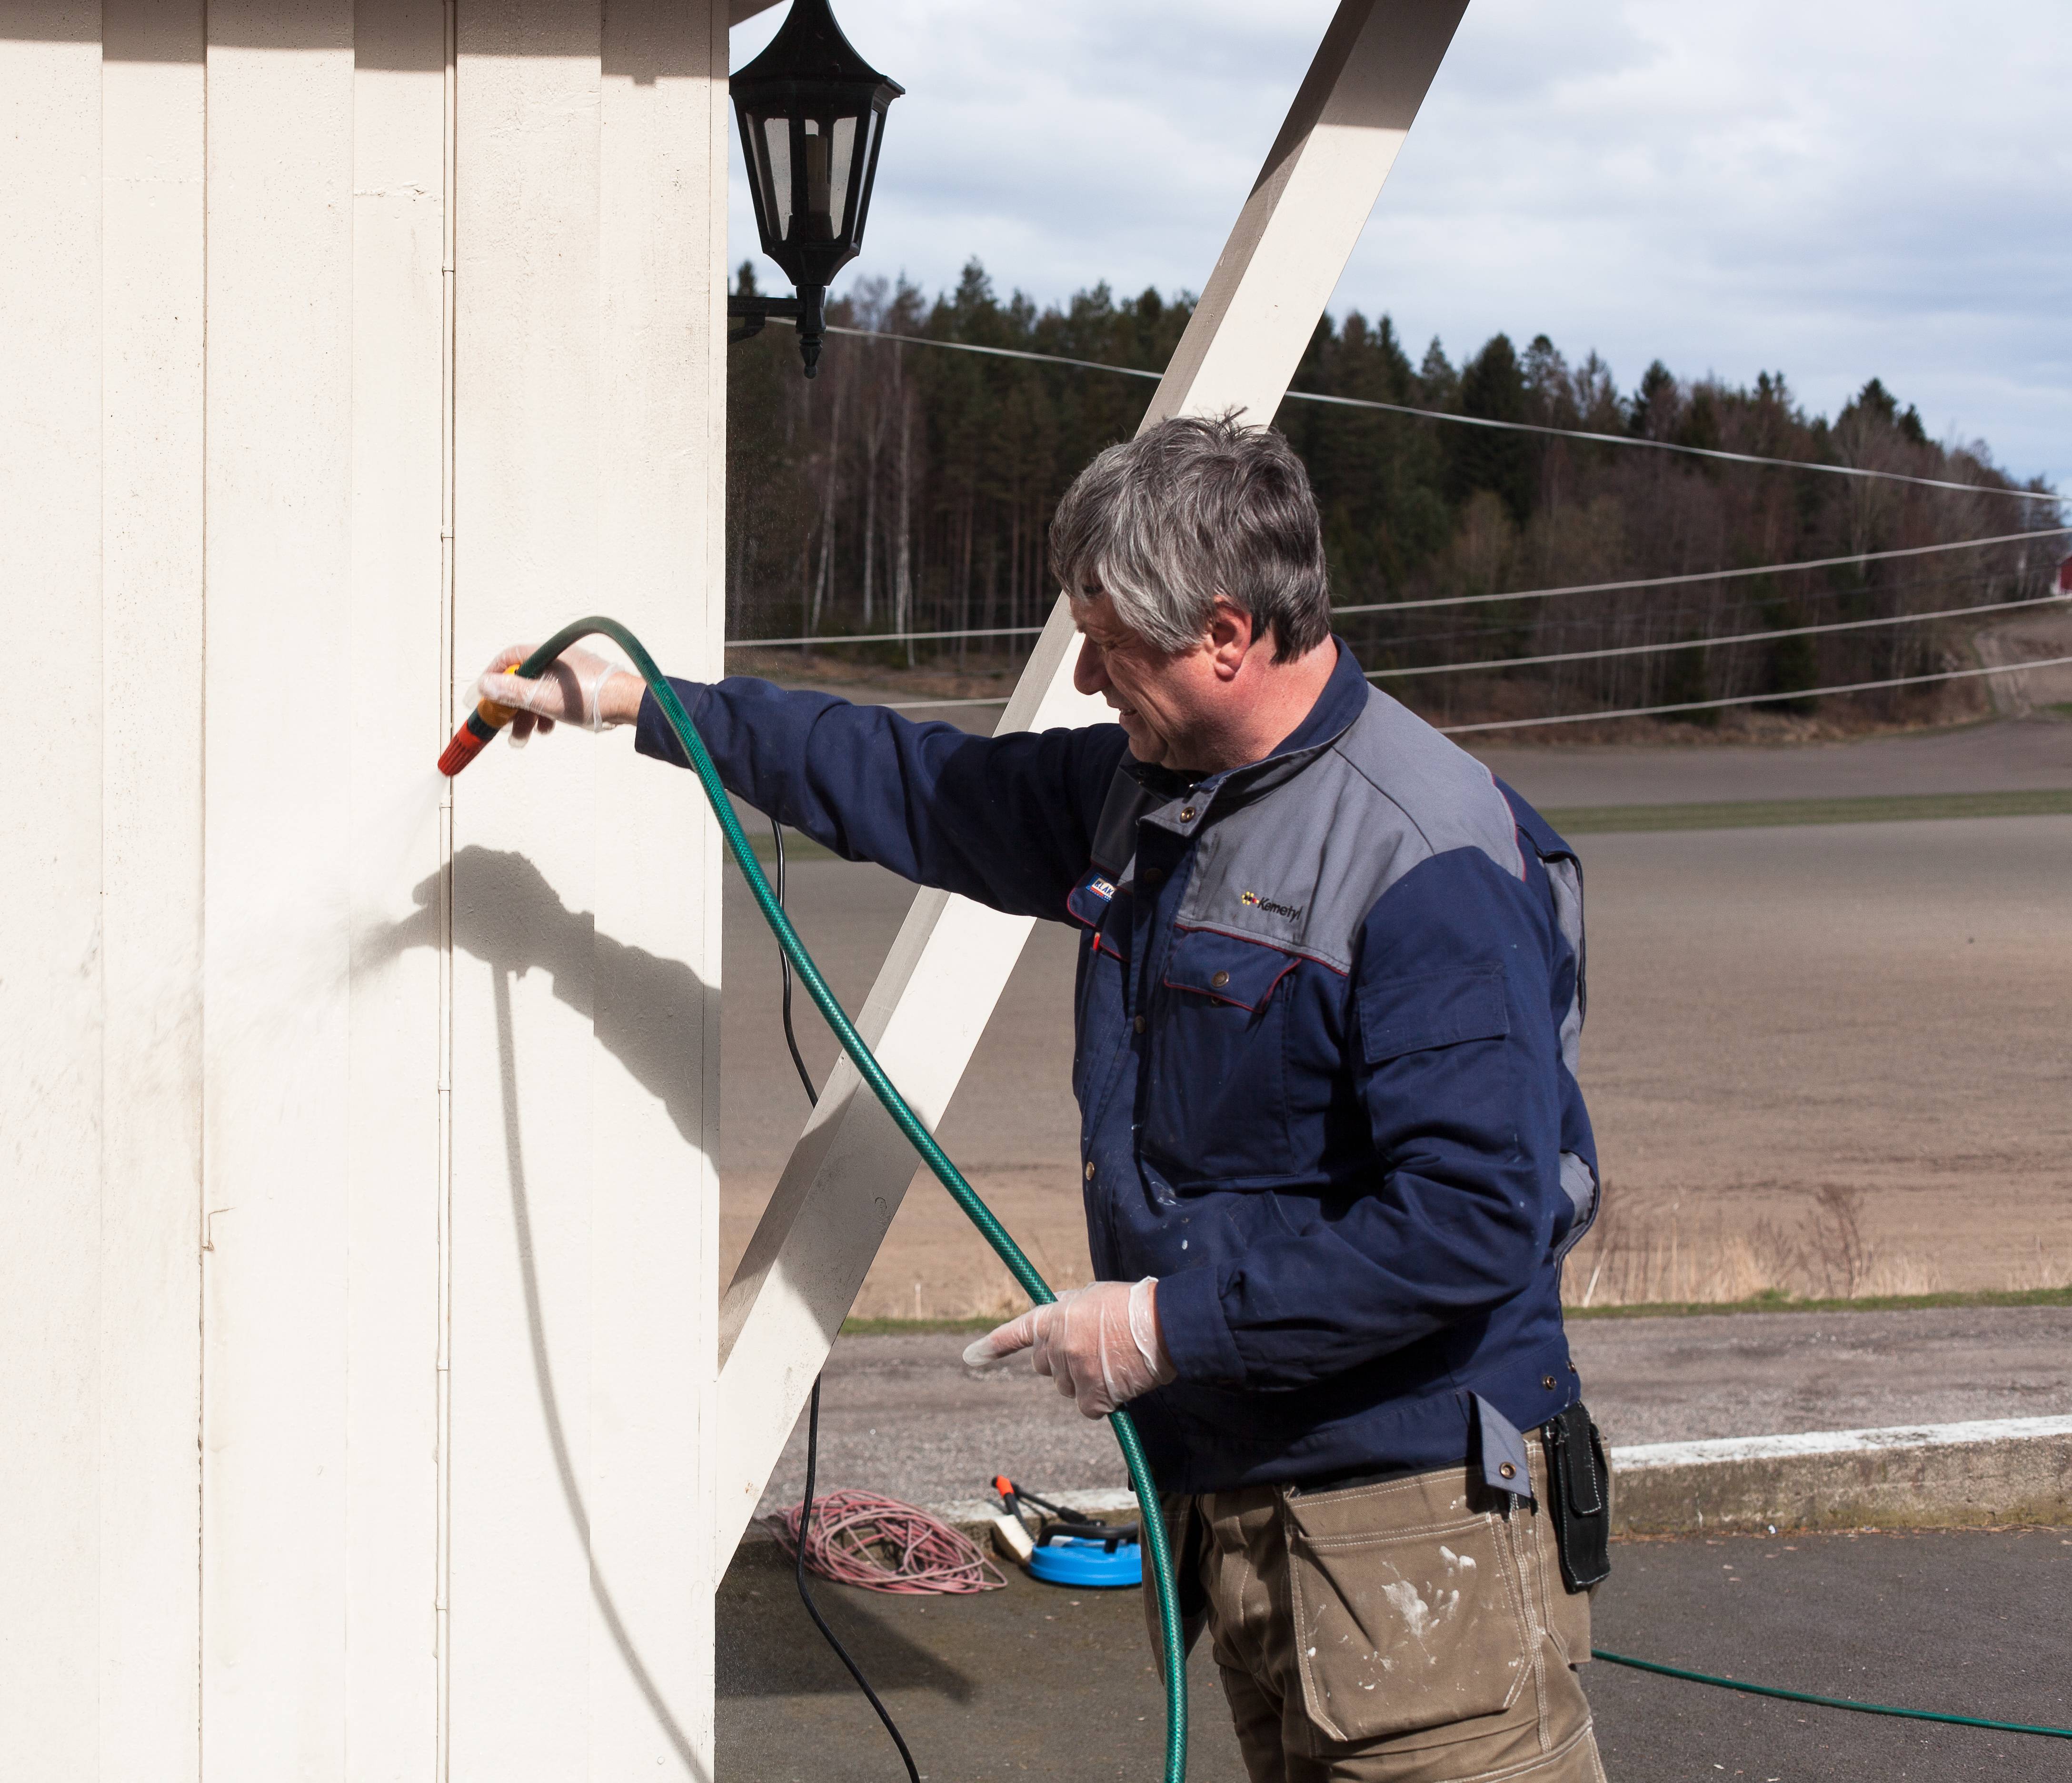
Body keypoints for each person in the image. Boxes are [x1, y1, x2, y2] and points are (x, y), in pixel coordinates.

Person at [473, 412, 1611, 1783]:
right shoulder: (1160, 792)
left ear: (1229, 636)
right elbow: (921, 784)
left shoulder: (1427, 862)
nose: (1084, 675)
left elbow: (1475, 1219)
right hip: (1256, 1514)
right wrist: (649, 706)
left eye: (1110, 643)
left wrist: (1162, 1326)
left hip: (1414, 1529)